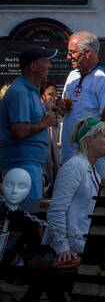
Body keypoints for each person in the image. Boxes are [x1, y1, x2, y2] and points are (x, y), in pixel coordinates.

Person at [46, 117, 105, 264]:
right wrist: (62, 247)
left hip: (84, 243)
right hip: (75, 248)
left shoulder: (89, 167)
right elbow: (57, 210)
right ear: (89, 141)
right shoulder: (74, 166)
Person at [0, 46, 55, 199]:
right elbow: (20, 131)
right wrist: (45, 122)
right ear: (33, 66)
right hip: (22, 166)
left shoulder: (28, 90)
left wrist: (51, 109)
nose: (50, 66)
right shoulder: (20, 92)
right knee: (27, 215)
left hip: (28, 164)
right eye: (46, 62)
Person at [60, 32, 105, 162]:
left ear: (87, 52)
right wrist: (60, 106)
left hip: (89, 156)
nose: (68, 57)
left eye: (72, 52)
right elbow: (68, 107)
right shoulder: (72, 75)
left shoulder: (104, 78)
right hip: (67, 153)